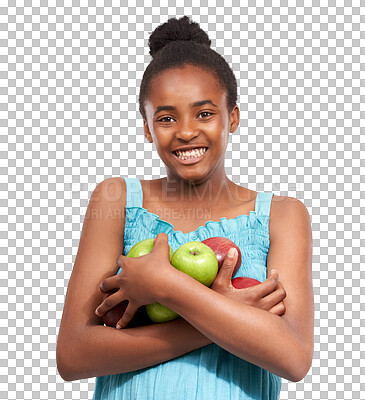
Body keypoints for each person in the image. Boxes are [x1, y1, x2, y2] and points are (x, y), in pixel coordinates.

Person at [56, 16, 314, 400]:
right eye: (166, 118)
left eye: (205, 113)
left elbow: (293, 357)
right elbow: (73, 355)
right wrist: (228, 312)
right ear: (147, 128)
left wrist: (168, 287)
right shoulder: (116, 199)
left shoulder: (283, 214)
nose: (186, 131)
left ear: (234, 118)